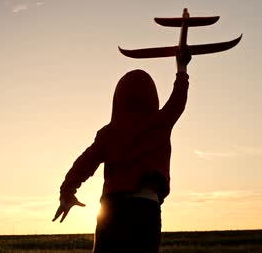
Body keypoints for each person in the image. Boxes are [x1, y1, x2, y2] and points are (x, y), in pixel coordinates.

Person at [52, 47, 192, 252]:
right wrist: (182, 67)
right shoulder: (160, 122)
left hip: (112, 209)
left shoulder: (109, 133)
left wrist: (67, 193)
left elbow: (82, 165)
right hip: (146, 209)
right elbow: (178, 100)